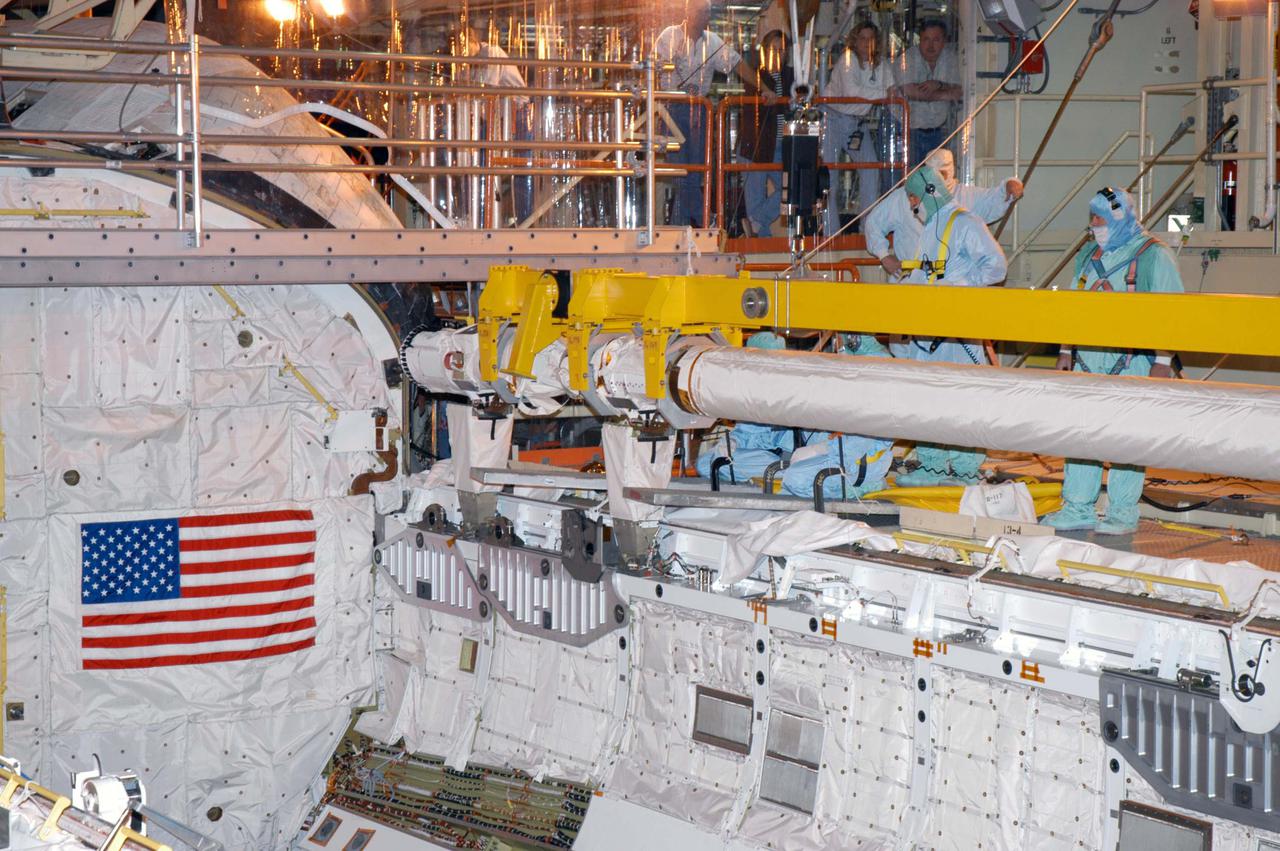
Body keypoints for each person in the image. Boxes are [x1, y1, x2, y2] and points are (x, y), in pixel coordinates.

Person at [1042, 187, 1184, 535]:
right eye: (1092, 219)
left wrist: (1162, 362)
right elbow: (1072, 307)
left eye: (1101, 219)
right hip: (1087, 359)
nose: (1095, 226)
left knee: (1128, 437)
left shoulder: (1154, 256)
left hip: (1134, 361)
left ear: (1121, 217)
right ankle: (1077, 507)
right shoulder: (1088, 255)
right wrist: (1065, 350)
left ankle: (1122, 511)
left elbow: (1176, 315)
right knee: (1081, 436)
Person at [891, 165, 1007, 486]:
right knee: (927, 400)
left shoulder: (967, 223)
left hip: (958, 337)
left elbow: (995, 267)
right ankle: (933, 466)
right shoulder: (932, 227)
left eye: (914, 197)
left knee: (964, 399)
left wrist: (958, 289)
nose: (913, 206)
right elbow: (925, 274)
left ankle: (965, 469)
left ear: (930, 192)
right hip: (929, 333)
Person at [655, 1, 773, 227]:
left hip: (699, 111)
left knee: (695, 173)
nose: (704, 16)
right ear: (687, 11)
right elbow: (658, 69)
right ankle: (703, 220)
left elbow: (737, 64)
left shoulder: (712, 41)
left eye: (707, 12)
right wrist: (677, 90)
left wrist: (763, 88)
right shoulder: (669, 36)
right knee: (684, 172)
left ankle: (680, 226)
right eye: (700, 11)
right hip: (672, 108)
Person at [866, 148, 1022, 279]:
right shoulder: (903, 197)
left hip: (949, 292)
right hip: (911, 283)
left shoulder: (966, 216)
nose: (913, 203)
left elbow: (995, 266)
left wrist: (964, 282)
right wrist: (884, 256)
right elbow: (874, 222)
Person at [449, 23, 532, 224]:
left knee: (520, 173)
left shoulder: (491, 52)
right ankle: (478, 217)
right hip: (497, 116)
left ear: (472, 41)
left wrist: (464, 87)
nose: (460, 53)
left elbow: (487, 88)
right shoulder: (472, 63)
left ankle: (525, 220)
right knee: (479, 165)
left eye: (462, 47)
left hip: (518, 116)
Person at [823, 20, 896, 236]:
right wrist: (885, 94)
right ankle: (830, 234)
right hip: (833, 118)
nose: (866, 43)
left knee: (871, 170)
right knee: (830, 179)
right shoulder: (848, 59)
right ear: (855, 40)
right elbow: (852, 91)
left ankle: (868, 229)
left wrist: (892, 93)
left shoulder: (881, 64)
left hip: (857, 123)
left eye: (870, 39)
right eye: (862, 38)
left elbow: (893, 90)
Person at [696, 331, 796, 482]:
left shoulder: (789, 391)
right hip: (755, 455)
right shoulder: (755, 391)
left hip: (780, 457)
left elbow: (783, 441)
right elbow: (745, 432)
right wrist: (731, 443)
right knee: (705, 463)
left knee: (725, 465)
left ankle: (784, 475)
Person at [735, 29, 794, 238]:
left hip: (781, 145)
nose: (777, 54)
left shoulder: (791, 75)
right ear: (765, 51)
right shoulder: (756, 75)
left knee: (791, 187)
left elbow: (795, 102)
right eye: (773, 49)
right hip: (755, 145)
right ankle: (762, 240)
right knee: (755, 198)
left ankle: (757, 221)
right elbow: (758, 108)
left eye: (781, 50)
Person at [897, 19, 961, 168]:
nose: (930, 45)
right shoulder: (908, 59)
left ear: (944, 41)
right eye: (926, 39)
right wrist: (945, 93)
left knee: (934, 179)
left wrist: (938, 85)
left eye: (936, 39)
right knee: (908, 180)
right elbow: (910, 92)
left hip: (936, 133)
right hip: (907, 131)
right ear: (920, 40)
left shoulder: (950, 59)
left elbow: (959, 92)